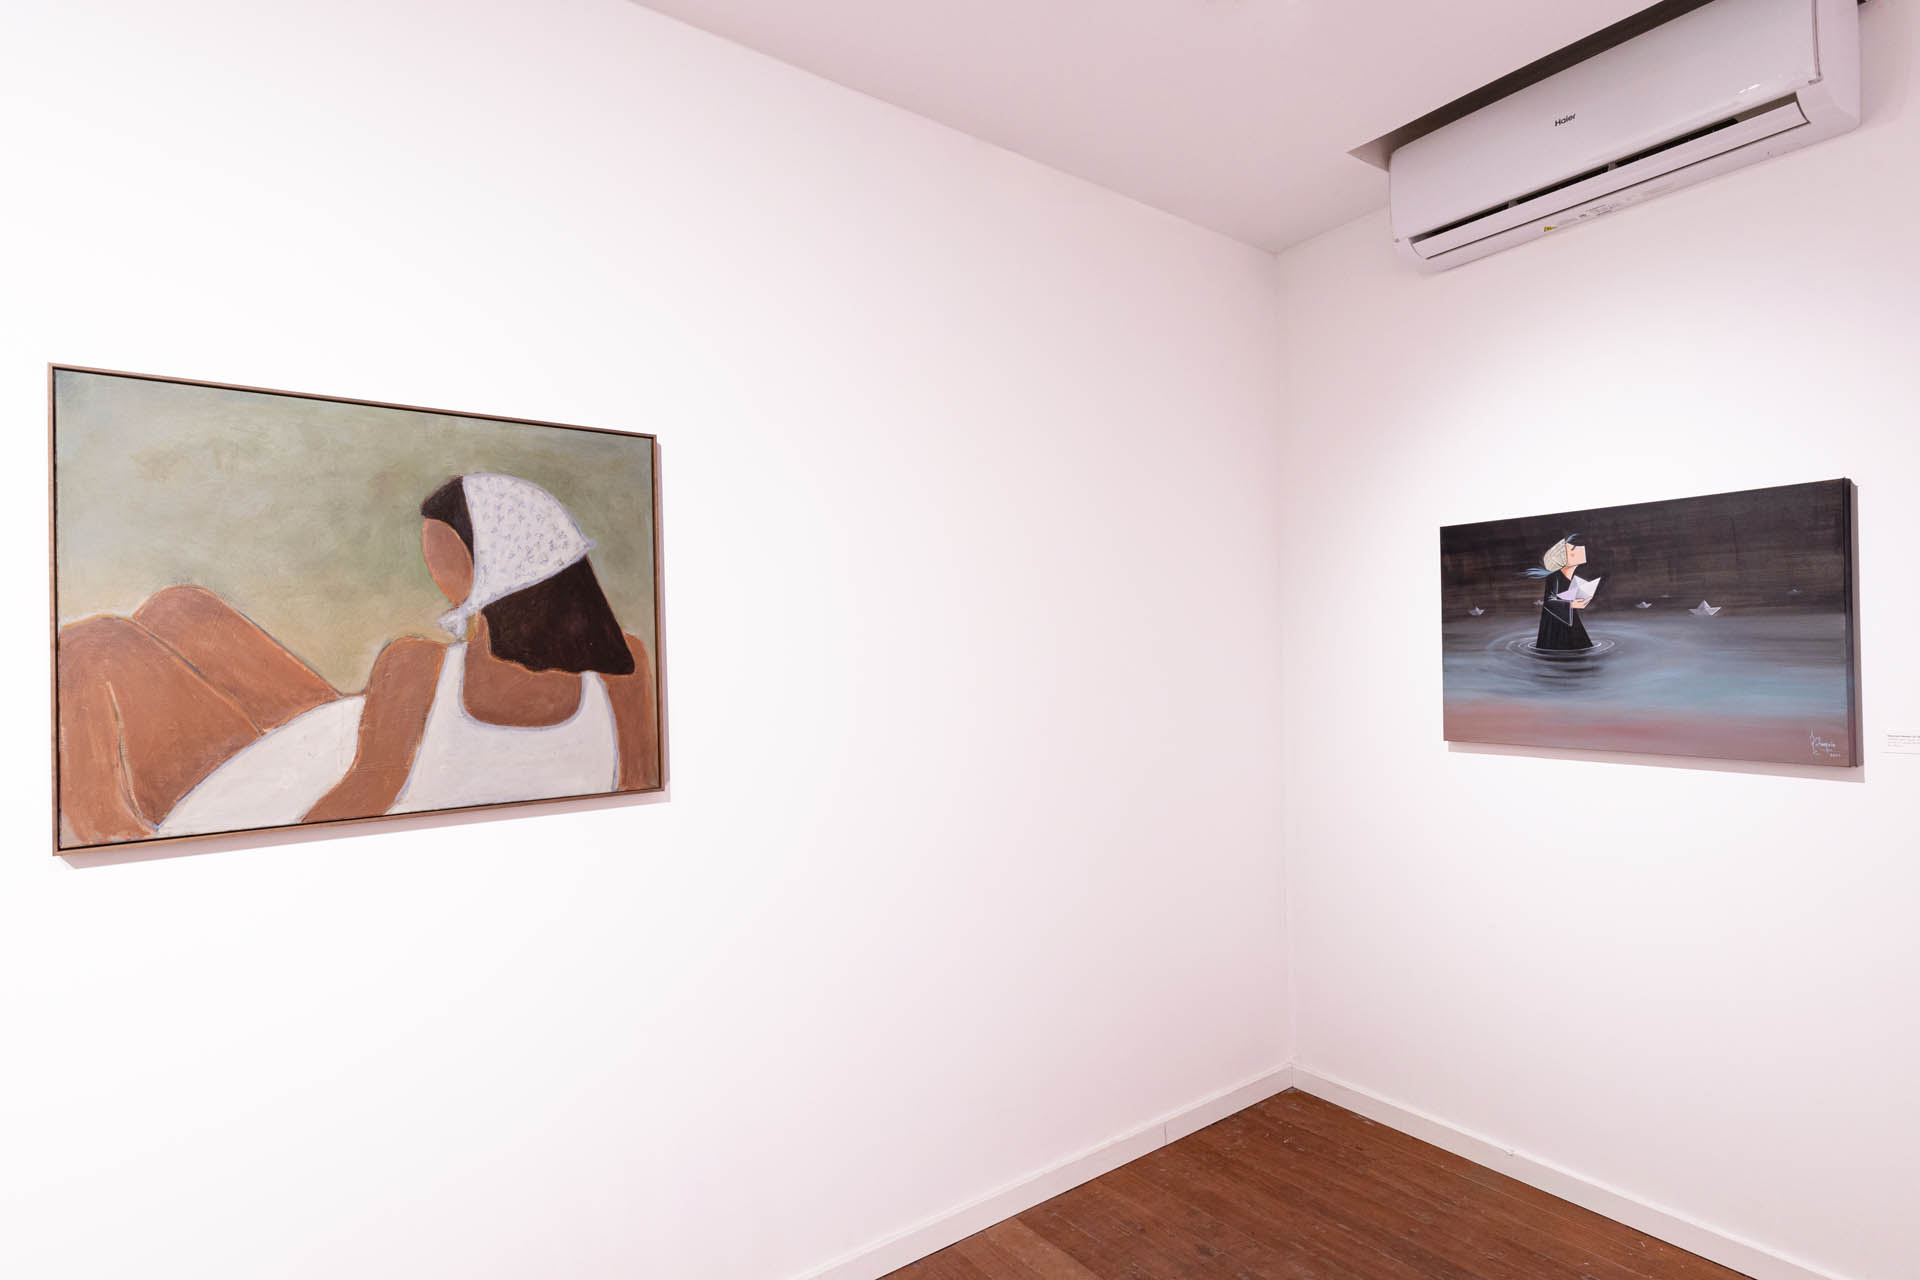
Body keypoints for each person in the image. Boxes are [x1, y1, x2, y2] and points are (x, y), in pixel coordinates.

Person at [57, 473, 659, 846]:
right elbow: (634, 783)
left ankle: (116, 836)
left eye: (441, 562)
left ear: (487, 574)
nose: (437, 579)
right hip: (352, 737)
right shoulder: (626, 665)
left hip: (302, 780)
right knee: (182, 607)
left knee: (90, 646)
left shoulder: (416, 665)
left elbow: (360, 796)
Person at [1529, 533, 1595, 652]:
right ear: (1563, 559)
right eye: (1573, 549)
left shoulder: (1571, 577)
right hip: (1557, 628)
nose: (1580, 548)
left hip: (1570, 621)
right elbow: (1548, 602)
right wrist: (1572, 604)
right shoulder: (1554, 576)